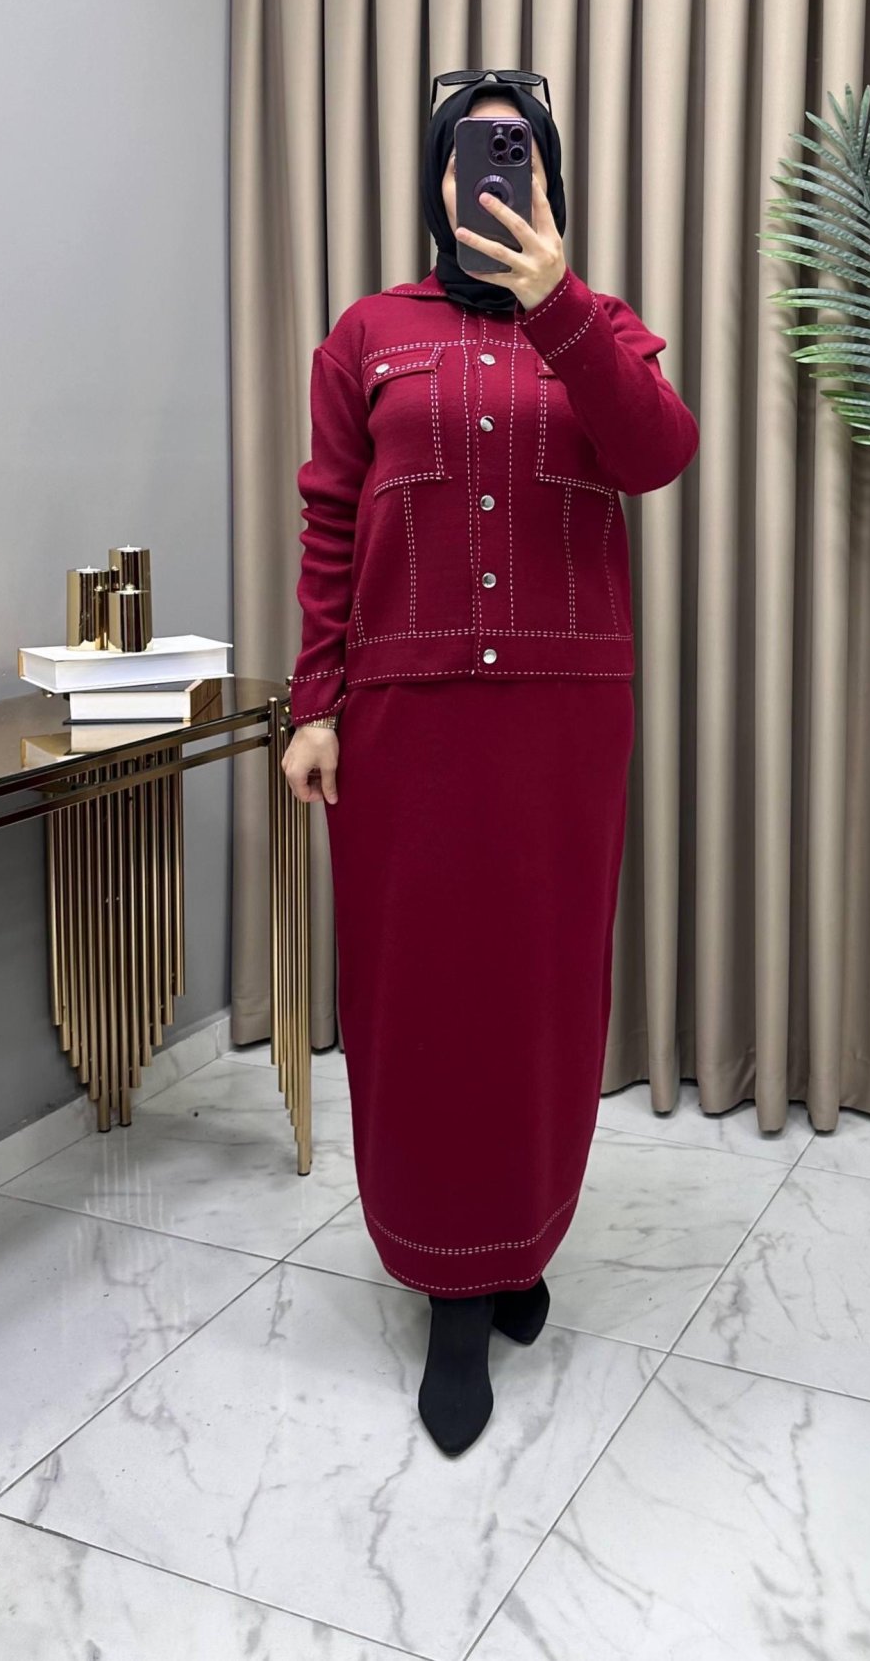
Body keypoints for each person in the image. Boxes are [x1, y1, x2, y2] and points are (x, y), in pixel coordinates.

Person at [281, 72, 699, 1456]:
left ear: (548, 181)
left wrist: (558, 301)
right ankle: (449, 1287)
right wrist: (316, 702)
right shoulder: (367, 335)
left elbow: (658, 454)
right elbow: (330, 519)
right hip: (403, 724)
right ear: (441, 178)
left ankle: (522, 1244)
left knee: (539, 990)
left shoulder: (599, 326)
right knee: (421, 999)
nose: (495, 176)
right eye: (474, 155)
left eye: (519, 156)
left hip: (559, 729)